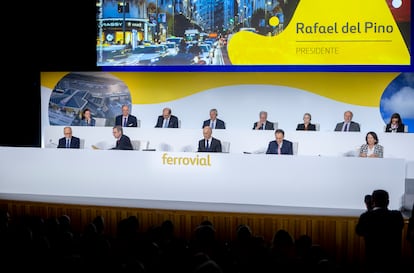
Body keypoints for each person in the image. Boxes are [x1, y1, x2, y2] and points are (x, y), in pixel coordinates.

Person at [355, 189, 404, 273]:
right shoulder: (397, 216)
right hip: (392, 263)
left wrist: (369, 210)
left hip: (372, 261)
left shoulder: (365, 217)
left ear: (372, 201)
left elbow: (359, 231)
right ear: (388, 202)